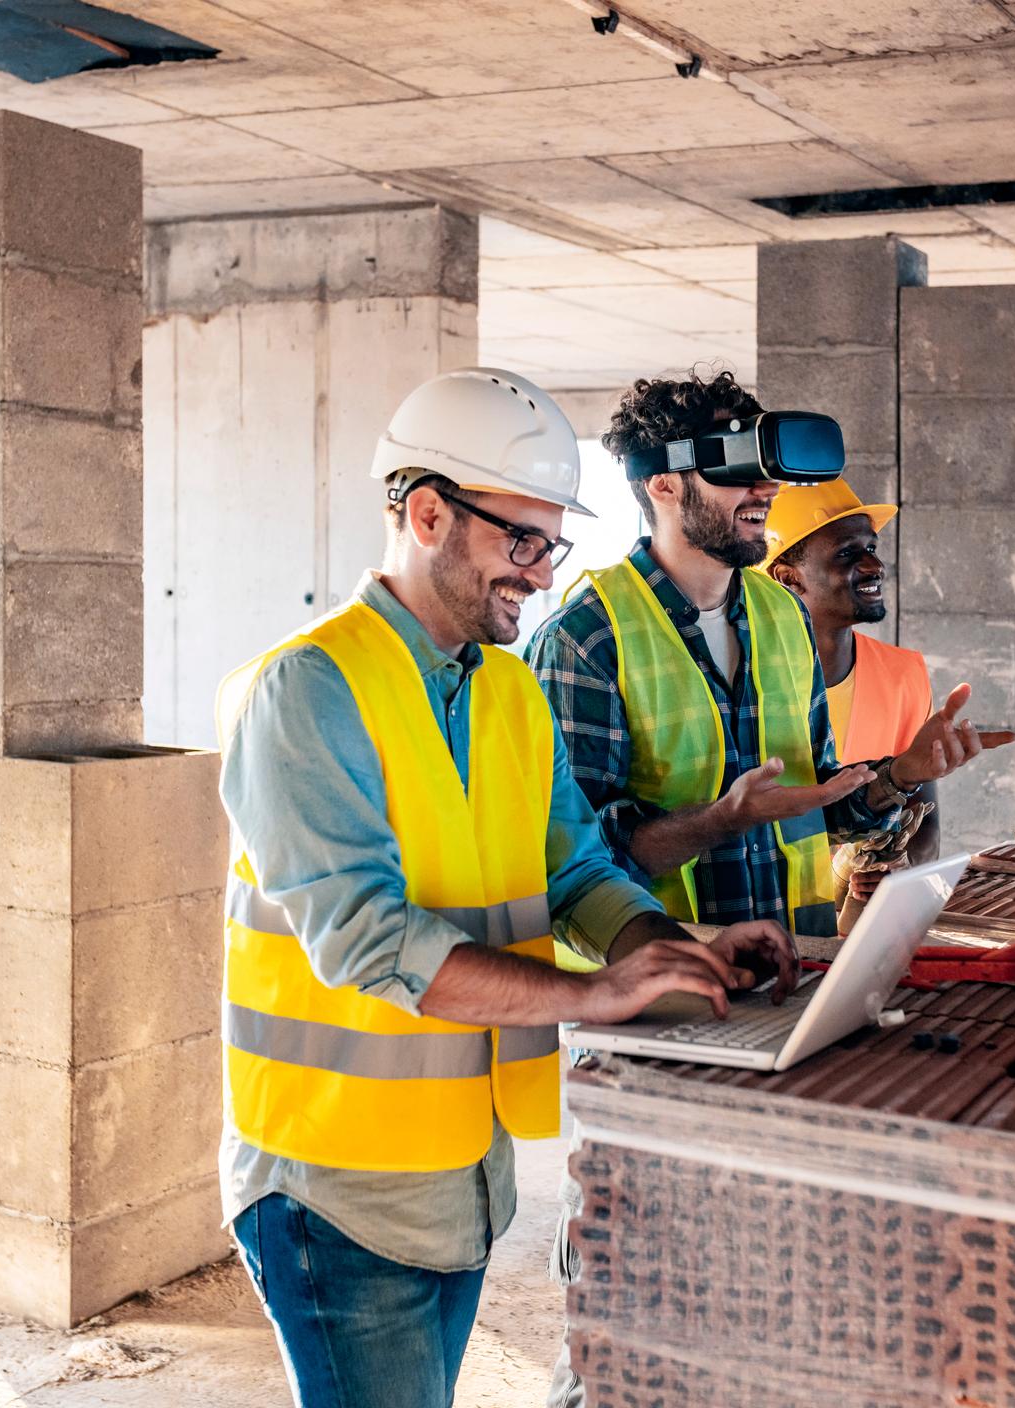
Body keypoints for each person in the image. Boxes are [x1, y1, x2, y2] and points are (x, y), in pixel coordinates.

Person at [215, 367, 798, 1408]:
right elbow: (364, 937)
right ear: (427, 512)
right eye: (518, 540)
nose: (538, 572)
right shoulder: (307, 689)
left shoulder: (509, 692)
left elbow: (576, 869)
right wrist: (591, 996)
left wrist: (665, 945)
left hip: (464, 1174)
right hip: (332, 1184)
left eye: (548, 542)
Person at [526, 368, 995, 1407]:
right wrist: (717, 820)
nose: (763, 492)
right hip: (665, 1012)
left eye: (765, 471)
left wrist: (895, 780)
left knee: (774, 1271)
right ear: (659, 490)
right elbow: (573, 868)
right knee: (629, 1281)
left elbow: (818, 804)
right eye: (735, 473)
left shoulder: (779, 623)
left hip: (789, 983)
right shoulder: (585, 638)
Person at [764, 478, 938, 901]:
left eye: (871, 549)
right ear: (788, 578)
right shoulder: (744, 685)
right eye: (847, 553)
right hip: (762, 928)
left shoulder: (904, 675)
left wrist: (900, 869)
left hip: (858, 934)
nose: (874, 566)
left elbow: (926, 826)